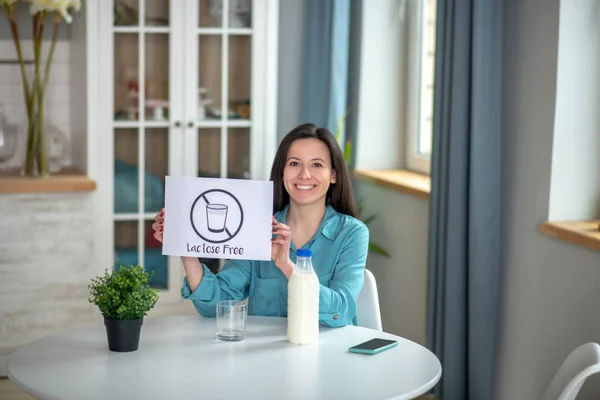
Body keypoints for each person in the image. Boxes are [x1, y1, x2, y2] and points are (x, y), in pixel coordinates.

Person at [152, 123, 369, 328]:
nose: (304, 174)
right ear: (282, 172)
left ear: (333, 175)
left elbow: (341, 311)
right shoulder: (257, 227)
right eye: (294, 163)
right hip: (266, 357)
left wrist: (287, 266)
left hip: (330, 355)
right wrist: (186, 247)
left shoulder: (352, 234)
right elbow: (214, 305)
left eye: (317, 165)